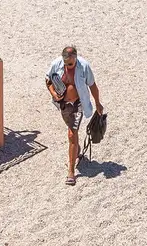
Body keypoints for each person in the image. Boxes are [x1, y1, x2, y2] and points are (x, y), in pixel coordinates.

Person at [45, 45, 103, 186]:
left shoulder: (84, 66)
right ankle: (75, 152)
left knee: (72, 133)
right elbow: (48, 81)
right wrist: (53, 94)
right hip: (63, 105)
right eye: (65, 63)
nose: (67, 66)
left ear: (76, 58)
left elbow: (92, 85)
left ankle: (71, 171)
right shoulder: (56, 64)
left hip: (78, 104)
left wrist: (97, 103)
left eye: (70, 63)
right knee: (72, 132)